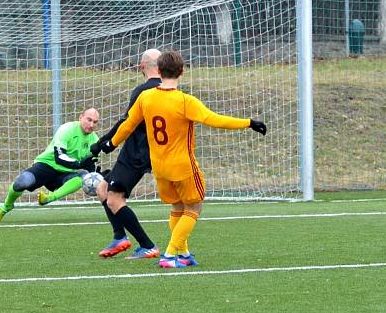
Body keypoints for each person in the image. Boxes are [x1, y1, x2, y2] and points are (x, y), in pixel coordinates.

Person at [96, 50, 266, 268]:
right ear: (182, 72)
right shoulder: (185, 101)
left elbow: (127, 125)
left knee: (177, 208)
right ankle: (169, 254)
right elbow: (214, 119)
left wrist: (111, 144)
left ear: (158, 70)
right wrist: (249, 122)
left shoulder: (146, 97)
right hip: (182, 166)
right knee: (194, 208)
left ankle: (183, 254)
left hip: (159, 168)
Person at [85, 48, 163, 259]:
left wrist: (103, 144)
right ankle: (120, 236)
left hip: (135, 153)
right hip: (152, 153)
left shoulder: (143, 91)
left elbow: (126, 123)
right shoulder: (169, 90)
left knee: (114, 199)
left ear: (141, 66)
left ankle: (148, 245)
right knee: (102, 188)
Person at [0, 108, 101, 224]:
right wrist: (79, 164)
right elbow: (59, 157)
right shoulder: (67, 129)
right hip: (46, 165)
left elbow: (91, 167)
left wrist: (99, 177)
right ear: (80, 117)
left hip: (65, 175)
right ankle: (5, 207)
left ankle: (49, 198)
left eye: (95, 122)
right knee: (21, 183)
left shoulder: (95, 140)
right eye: (89, 120)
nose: (92, 124)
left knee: (85, 176)